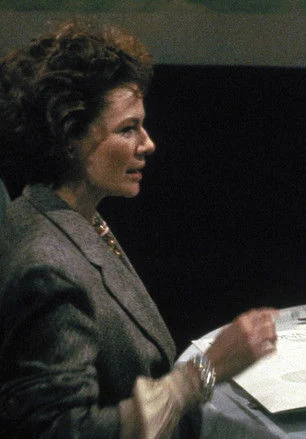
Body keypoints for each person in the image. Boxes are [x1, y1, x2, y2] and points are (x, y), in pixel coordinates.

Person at [0, 22, 278, 438]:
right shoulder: (47, 265)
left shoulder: (62, 217)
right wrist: (204, 371)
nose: (148, 144)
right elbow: (59, 430)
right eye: (127, 129)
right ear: (69, 138)